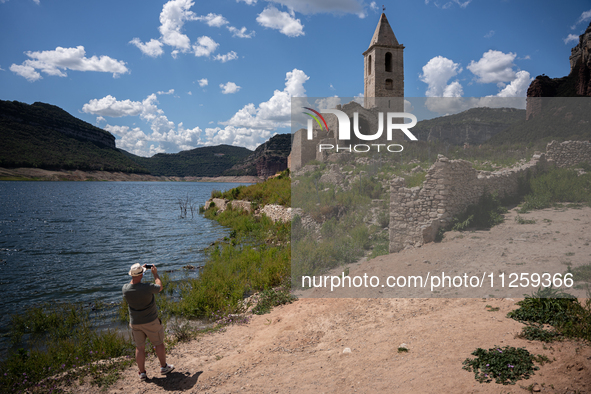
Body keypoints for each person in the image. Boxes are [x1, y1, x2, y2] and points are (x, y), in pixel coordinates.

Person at [122, 263, 175, 380]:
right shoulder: (147, 287)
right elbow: (159, 287)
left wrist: (141, 270)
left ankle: (142, 373)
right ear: (142, 275)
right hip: (151, 321)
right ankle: (164, 367)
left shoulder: (125, 289)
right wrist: (155, 274)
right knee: (158, 343)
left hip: (135, 323)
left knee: (139, 348)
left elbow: (136, 281)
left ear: (131, 274)